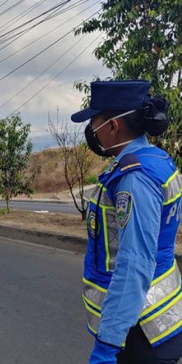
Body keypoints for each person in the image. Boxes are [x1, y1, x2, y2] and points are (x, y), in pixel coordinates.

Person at [71, 80, 182, 364]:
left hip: (140, 332)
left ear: (113, 126)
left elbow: (134, 264)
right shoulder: (156, 159)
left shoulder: (134, 178)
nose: (92, 131)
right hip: (154, 324)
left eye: (94, 122)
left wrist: (108, 344)